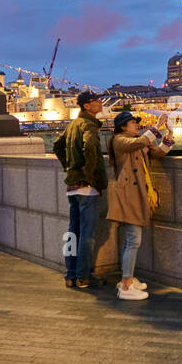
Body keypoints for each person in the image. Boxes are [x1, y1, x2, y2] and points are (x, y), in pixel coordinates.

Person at [106, 111, 174, 300]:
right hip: (128, 195)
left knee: (130, 239)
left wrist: (169, 134)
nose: (136, 125)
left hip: (137, 195)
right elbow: (139, 143)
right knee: (134, 239)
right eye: (132, 123)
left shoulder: (139, 141)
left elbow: (159, 153)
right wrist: (158, 126)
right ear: (122, 127)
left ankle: (126, 279)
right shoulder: (119, 140)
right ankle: (126, 286)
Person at [61, 91, 108, 288]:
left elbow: (57, 146)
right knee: (87, 234)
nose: (100, 102)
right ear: (86, 106)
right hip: (86, 188)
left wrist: (70, 168)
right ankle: (83, 276)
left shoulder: (72, 124)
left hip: (72, 187)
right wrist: (89, 172)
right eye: (96, 100)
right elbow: (89, 145)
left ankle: (70, 274)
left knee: (72, 233)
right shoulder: (89, 125)